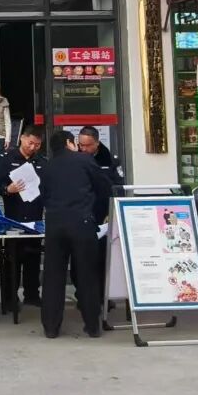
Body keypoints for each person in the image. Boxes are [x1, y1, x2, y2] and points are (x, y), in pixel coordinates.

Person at [40, 130, 112, 339]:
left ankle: (51, 327)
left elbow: (43, 194)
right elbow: (104, 187)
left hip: (55, 225)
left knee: (53, 277)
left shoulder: (47, 166)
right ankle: (92, 325)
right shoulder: (84, 161)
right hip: (82, 223)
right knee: (87, 274)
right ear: (69, 143)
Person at [0, 126, 46, 307]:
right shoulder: (7, 159)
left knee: (33, 259)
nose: (33, 148)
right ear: (22, 138)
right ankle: (9, 297)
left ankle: (32, 294)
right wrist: (8, 189)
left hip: (35, 217)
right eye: (30, 143)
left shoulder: (41, 161)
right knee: (12, 260)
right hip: (14, 217)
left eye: (37, 145)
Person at [76, 126, 123, 312]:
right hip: (81, 215)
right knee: (81, 260)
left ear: (97, 143)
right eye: (81, 145)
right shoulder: (75, 159)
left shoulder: (110, 160)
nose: (84, 149)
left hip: (103, 215)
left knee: (103, 259)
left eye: (88, 145)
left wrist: (112, 211)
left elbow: (118, 187)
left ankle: (103, 296)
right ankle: (83, 296)